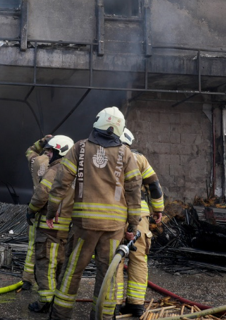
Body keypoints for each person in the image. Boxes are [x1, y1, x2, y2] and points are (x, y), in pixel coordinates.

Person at [46, 106, 142, 320]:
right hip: (114, 229)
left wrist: (51, 212)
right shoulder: (126, 154)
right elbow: (134, 190)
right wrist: (133, 226)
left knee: (72, 272)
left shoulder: (79, 148)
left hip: (84, 225)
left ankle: (60, 315)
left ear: (97, 123)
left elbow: (60, 183)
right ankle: (103, 317)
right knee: (107, 275)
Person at [116, 128, 164, 317]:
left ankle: (114, 304)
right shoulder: (140, 159)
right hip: (141, 217)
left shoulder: (108, 157)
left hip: (115, 214)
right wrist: (158, 209)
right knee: (139, 259)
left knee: (116, 259)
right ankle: (136, 304)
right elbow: (154, 186)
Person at [26, 135, 75, 313]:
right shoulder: (75, 171)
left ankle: (45, 301)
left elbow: (41, 195)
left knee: (45, 263)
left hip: (49, 227)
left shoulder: (55, 170)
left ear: (59, 152)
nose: (48, 154)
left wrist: (30, 210)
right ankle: (57, 300)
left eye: (50, 151)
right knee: (60, 264)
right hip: (66, 229)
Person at [22, 135, 54, 290]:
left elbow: (29, 151)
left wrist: (41, 142)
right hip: (52, 213)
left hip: (35, 209)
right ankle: (47, 282)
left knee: (32, 246)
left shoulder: (36, 161)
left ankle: (27, 280)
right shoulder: (58, 166)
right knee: (49, 249)